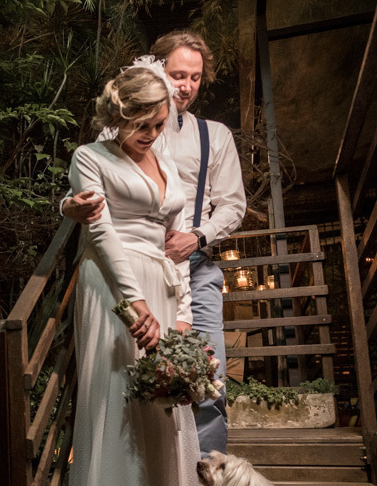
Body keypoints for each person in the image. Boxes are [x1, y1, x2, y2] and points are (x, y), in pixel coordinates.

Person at [59, 62, 222, 486]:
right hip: (113, 291)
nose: (153, 134)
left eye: (160, 125)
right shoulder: (89, 156)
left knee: (162, 425)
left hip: (161, 289)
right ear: (119, 116)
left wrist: (179, 311)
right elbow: (98, 233)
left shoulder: (166, 158)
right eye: (143, 126)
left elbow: (175, 237)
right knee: (119, 423)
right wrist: (133, 307)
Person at [62, 30, 245, 457]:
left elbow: (233, 206)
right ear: (156, 69)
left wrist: (196, 237)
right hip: (134, 266)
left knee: (205, 374)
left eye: (196, 77)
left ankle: (207, 481)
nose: (186, 85)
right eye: (178, 74)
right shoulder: (135, 120)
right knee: (139, 378)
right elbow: (97, 172)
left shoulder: (214, 136)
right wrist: (66, 205)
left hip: (192, 265)